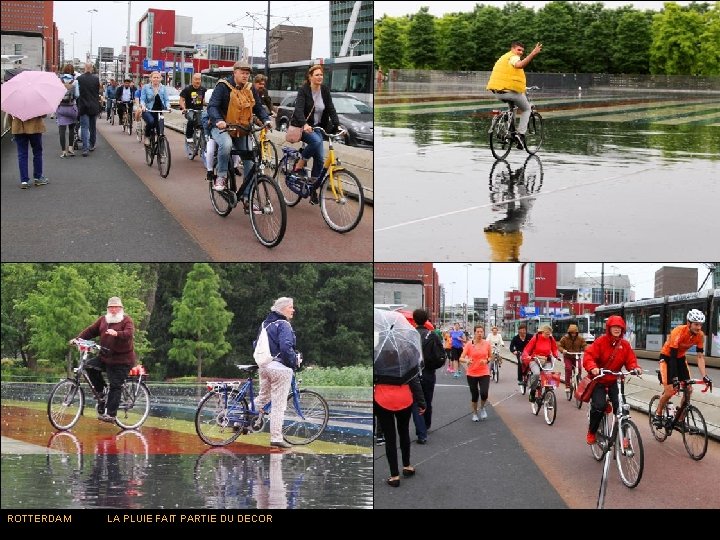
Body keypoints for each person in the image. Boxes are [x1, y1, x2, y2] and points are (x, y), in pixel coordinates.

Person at [207, 60, 271, 196]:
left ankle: (247, 197)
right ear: (234, 72)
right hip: (222, 127)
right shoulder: (223, 86)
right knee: (226, 144)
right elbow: (212, 106)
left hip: (241, 129)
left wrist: (266, 119)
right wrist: (218, 120)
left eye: (247, 73)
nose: (245, 76)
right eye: (242, 73)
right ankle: (221, 176)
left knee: (249, 160)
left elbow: (258, 107)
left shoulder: (250, 88)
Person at [70, 296, 136, 423]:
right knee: (88, 366)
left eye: (116, 307)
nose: (113, 310)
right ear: (107, 309)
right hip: (105, 357)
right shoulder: (103, 320)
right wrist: (77, 339)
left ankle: (111, 414)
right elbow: (90, 331)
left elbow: (129, 334)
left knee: (115, 385)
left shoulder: (126, 320)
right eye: (111, 307)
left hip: (121, 360)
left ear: (121, 308)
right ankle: (101, 393)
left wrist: (117, 334)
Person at [583, 315, 642, 445]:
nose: (617, 329)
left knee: (622, 409)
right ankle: (592, 431)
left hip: (615, 380)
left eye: (619, 327)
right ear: (609, 328)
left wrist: (635, 367)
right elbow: (589, 356)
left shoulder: (625, 345)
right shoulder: (600, 341)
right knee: (598, 406)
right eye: (614, 327)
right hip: (599, 380)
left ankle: (624, 437)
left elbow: (630, 360)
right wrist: (593, 367)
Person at [252, 297, 299, 449]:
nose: (293, 310)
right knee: (278, 405)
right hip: (279, 369)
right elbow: (286, 348)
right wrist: (294, 362)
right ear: (283, 309)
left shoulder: (266, 323)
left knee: (263, 397)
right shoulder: (283, 324)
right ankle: (276, 438)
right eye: (291, 307)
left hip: (264, 366)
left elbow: (256, 344)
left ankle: (241, 420)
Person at [651, 309, 712, 427]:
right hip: (668, 357)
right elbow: (672, 357)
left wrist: (705, 376)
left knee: (689, 390)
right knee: (670, 391)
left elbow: (700, 357)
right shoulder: (678, 331)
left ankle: (680, 419)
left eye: (700, 325)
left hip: (680, 358)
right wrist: (674, 378)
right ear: (688, 323)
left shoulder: (700, 335)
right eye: (696, 324)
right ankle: (658, 414)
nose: (699, 327)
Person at [374, 351, 426, 487]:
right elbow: (414, 381)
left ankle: (394, 475)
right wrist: (421, 401)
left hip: (382, 398)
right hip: (403, 397)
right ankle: (407, 466)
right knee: (403, 433)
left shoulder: (377, 356)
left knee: (390, 438)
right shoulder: (405, 357)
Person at [289, 64, 340, 202]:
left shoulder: (324, 90)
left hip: (318, 127)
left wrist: (338, 125)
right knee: (316, 142)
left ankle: (313, 189)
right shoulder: (304, 90)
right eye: (317, 75)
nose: (320, 77)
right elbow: (299, 109)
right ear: (310, 77)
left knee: (319, 159)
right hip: (302, 126)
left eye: (321, 75)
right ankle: (299, 165)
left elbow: (330, 108)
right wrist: (304, 124)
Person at [486, 40, 542, 149]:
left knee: (513, 108)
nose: (520, 52)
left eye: (522, 51)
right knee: (526, 109)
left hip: (498, 92)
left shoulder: (504, 58)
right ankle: (520, 135)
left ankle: (510, 130)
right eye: (519, 50)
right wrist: (533, 53)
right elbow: (519, 65)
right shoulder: (513, 57)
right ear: (513, 49)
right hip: (509, 93)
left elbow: (508, 77)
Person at [410, 309, 443, 444]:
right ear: (427, 319)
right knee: (428, 399)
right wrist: (432, 366)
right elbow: (440, 355)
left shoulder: (409, 335)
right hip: (429, 372)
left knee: (417, 401)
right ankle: (427, 424)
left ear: (414, 319)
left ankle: (421, 430)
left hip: (413, 374)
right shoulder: (433, 335)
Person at [459, 325, 492, 421]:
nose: (480, 334)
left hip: (484, 372)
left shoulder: (487, 344)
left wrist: (486, 360)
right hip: (472, 373)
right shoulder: (469, 344)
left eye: (481, 332)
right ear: (474, 332)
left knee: (484, 393)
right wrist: (467, 361)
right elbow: (461, 358)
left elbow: (490, 356)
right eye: (478, 332)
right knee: (475, 395)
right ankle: (474, 413)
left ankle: (482, 408)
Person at [8, 113, 48, 189]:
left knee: (22, 154)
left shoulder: (14, 101)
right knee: (37, 153)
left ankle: (24, 181)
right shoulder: (36, 101)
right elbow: (43, 115)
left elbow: (9, 116)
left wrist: (12, 126)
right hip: (35, 127)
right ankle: (38, 177)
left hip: (19, 128)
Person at [521, 324, 559, 402]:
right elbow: (527, 349)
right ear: (542, 332)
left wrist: (556, 356)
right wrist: (527, 356)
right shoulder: (536, 338)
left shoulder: (551, 339)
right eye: (546, 334)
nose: (548, 335)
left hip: (546, 360)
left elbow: (554, 348)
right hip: (535, 359)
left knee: (548, 375)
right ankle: (532, 391)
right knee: (536, 373)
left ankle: (548, 393)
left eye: (549, 334)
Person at [139, 70, 170, 147]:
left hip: (159, 110)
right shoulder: (146, 87)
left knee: (160, 130)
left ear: (160, 79)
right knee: (151, 122)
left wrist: (168, 107)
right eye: (154, 77)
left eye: (157, 77)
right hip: (148, 110)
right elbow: (142, 99)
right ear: (151, 78)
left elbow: (166, 100)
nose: (156, 79)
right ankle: (147, 136)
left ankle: (161, 148)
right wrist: (143, 106)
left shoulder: (163, 88)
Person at [77, 62, 101, 156]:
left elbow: (77, 93)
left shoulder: (79, 79)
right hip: (94, 105)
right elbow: (97, 91)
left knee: (84, 127)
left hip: (83, 105)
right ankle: (92, 144)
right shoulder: (96, 79)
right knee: (92, 127)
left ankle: (85, 148)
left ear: (84, 68)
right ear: (91, 69)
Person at [558, 324, 587, 396]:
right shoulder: (565, 338)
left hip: (576, 356)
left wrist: (586, 350)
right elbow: (559, 345)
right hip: (568, 356)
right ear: (569, 333)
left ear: (577, 333)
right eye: (572, 333)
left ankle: (577, 380)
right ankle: (567, 385)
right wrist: (563, 350)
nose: (573, 334)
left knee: (579, 368)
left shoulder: (580, 338)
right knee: (568, 368)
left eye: (575, 333)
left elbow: (584, 345)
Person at [56, 64, 79, 158]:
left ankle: (63, 151)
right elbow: (77, 95)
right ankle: (70, 148)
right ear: (72, 71)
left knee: (62, 130)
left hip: (61, 108)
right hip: (71, 107)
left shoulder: (59, 80)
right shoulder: (75, 81)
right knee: (71, 129)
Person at [180, 73, 207, 147]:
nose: (198, 81)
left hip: (199, 110)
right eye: (196, 79)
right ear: (192, 80)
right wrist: (183, 108)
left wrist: (208, 106)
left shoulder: (203, 89)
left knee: (204, 122)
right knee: (191, 119)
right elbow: (181, 100)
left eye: (199, 79)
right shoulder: (187, 89)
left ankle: (204, 138)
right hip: (189, 110)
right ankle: (189, 136)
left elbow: (203, 101)